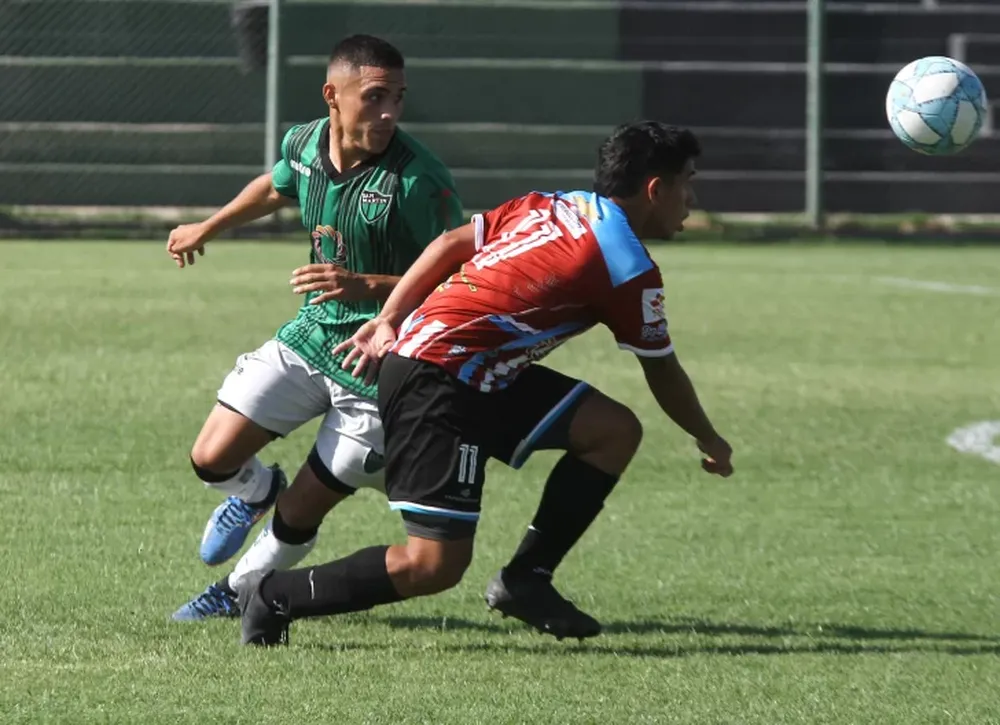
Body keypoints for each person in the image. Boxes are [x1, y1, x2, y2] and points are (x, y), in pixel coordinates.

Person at [234, 120, 735, 647]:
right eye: (688, 182)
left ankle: (527, 580)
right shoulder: (627, 267)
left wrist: (391, 317)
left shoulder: (554, 204)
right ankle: (273, 596)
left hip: (474, 372)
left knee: (612, 430)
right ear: (656, 189)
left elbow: (451, 245)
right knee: (433, 566)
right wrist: (709, 437)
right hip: (438, 379)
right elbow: (662, 369)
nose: (691, 197)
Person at [167, 34, 464, 620]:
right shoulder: (303, 142)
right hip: (311, 335)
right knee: (210, 457)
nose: (389, 113)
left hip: (379, 357)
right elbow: (278, 186)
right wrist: (211, 225)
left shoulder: (418, 181)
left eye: (398, 99)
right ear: (333, 94)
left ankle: (238, 593)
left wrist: (367, 287)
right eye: (375, 97)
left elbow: (456, 279)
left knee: (302, 511)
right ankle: (255, 489)